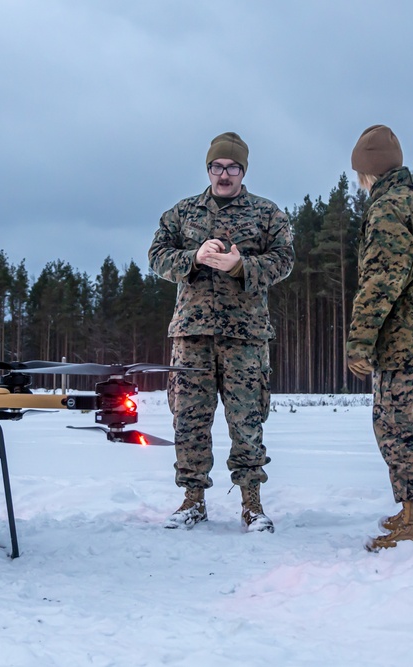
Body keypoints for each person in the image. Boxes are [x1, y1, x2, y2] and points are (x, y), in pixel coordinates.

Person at [148, 132, 295, 531]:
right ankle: (192, 500)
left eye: (232, 167)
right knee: (189, 421)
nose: (224, 174)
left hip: (245, 337)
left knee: (247, 420)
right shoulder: (182, 214)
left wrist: (241, 266)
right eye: (217, 167)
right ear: (208, 169)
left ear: (243, 171)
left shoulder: (267, 214)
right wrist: (192, 257)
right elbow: (156, 256)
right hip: (192, 335)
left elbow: (284, 260)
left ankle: (251, 504)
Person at [346, 124, 413, 551]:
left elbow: (381, 282)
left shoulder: (388, 208)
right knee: (396, 421)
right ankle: (411, 510)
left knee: (398, 425)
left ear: (367, 171)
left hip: (404, 340)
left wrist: (359, 341)